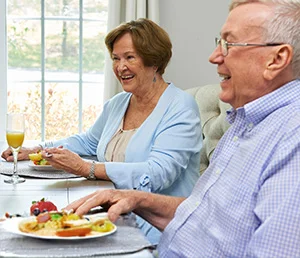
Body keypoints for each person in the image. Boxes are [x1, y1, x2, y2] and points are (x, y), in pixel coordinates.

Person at [64, 0, 300, 257]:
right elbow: (204, 213)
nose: (214, 57)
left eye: (229, 44)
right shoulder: (244, 121)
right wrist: (137, 199)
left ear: (277, 59)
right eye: (218, 43)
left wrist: (87, 168)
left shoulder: (292, 139)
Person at [1, 18, 202, 244]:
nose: (120, 66)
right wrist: (38, 150)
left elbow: (158, 173)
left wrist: (87, 168)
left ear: (153, 61)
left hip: (158, 230)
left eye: (129, 57)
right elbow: (87, 142)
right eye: (116, 58)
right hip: (114, 217)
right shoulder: (119, 103)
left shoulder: (180, 107)